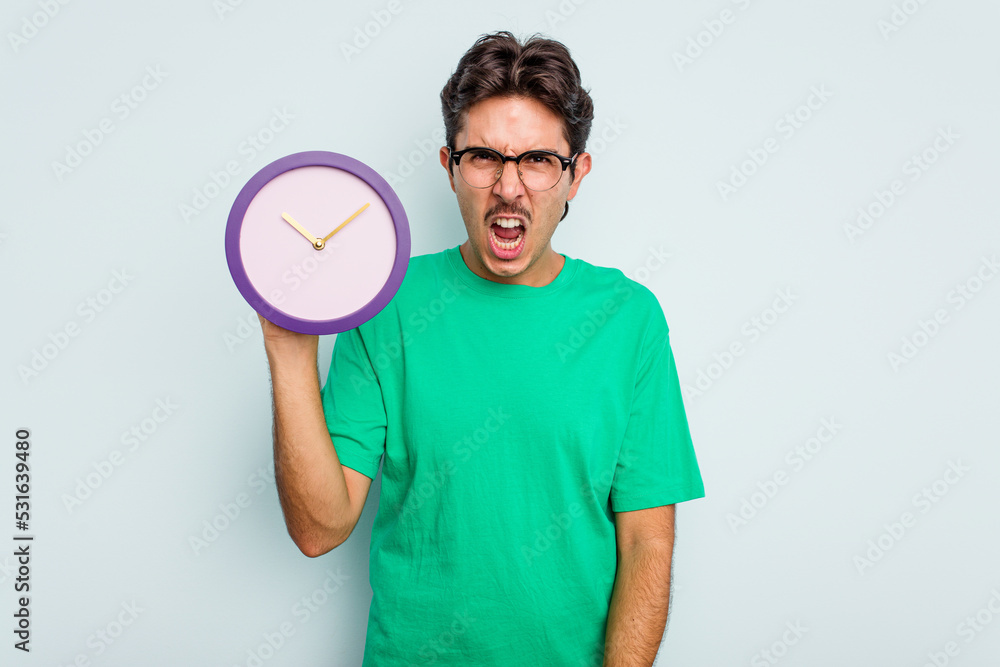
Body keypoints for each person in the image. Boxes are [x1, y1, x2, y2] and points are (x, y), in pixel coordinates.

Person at [258, 30, 705, 666]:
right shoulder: (384, 302)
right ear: (449, 166)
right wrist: (288, 348)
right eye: (484, 157)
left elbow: (646, 546)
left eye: (538, 160)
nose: (509, 187)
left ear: (576, 174)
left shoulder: (628, 320)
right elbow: (318, 528)